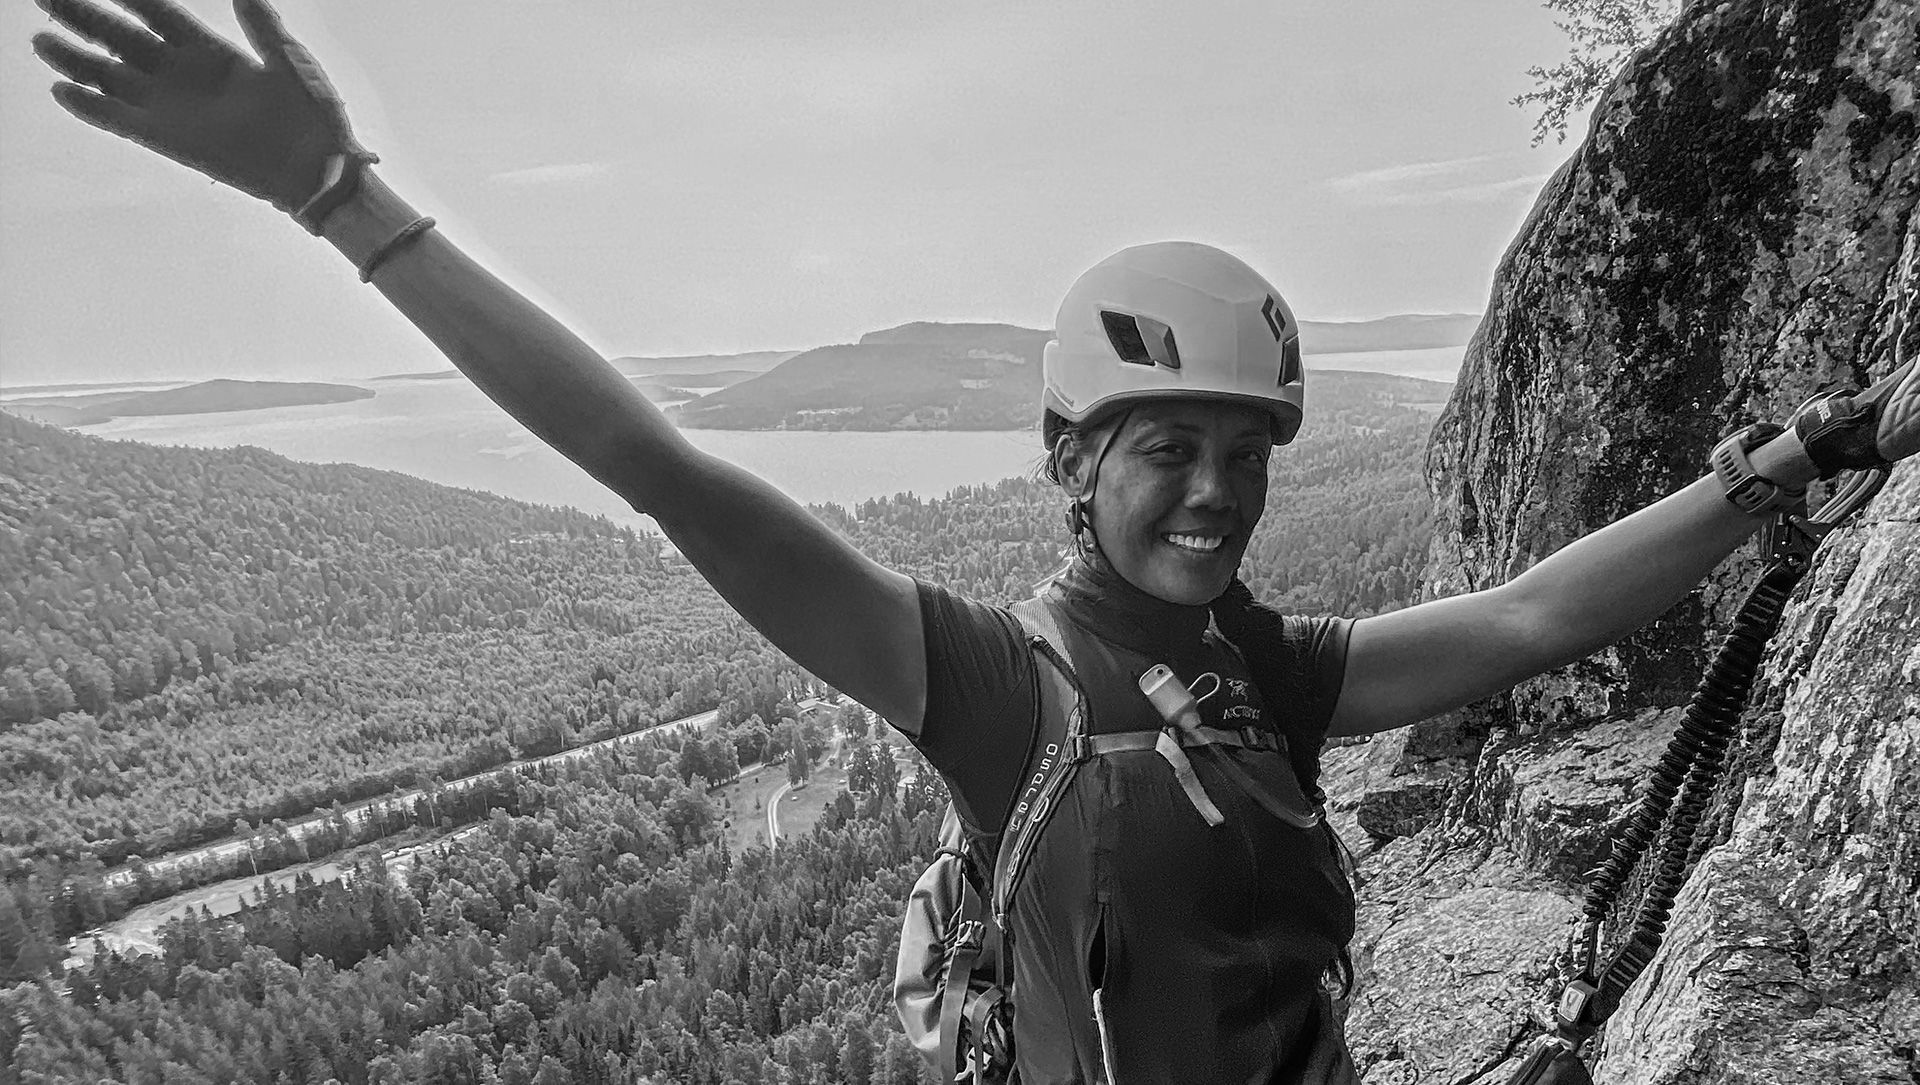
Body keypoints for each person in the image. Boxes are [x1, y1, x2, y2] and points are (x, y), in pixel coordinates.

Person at [30, 2, 1918, 1082]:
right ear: (1064, 462)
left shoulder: (1268, 666)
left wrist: (1772, 475)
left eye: (1243, 453)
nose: (1213, 494)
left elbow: (1518, 617)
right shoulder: (993, 689)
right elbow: (667, 470)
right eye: (1161, 449)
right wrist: (342, 198)